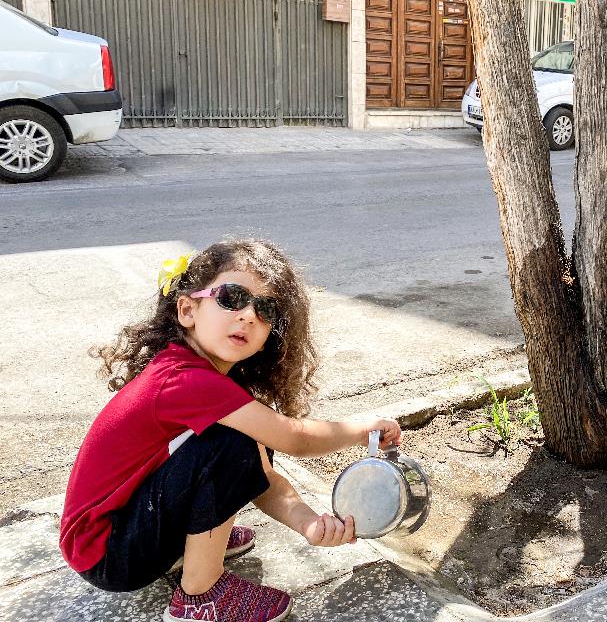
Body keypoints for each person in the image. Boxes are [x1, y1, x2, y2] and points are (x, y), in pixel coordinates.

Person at [59, 239, 401, 622]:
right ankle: (199, 595)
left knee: (248, 439)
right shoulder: (184, 380)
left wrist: (308, 522)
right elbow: (295, 438)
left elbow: (263, 474)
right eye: (232, 297)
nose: (249, 315)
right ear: (188, 310)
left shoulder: (210, 381)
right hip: (108, 552)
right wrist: (362, 429)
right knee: (231, 444)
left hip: (121, 534)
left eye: (266, 308)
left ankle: (193, 550)